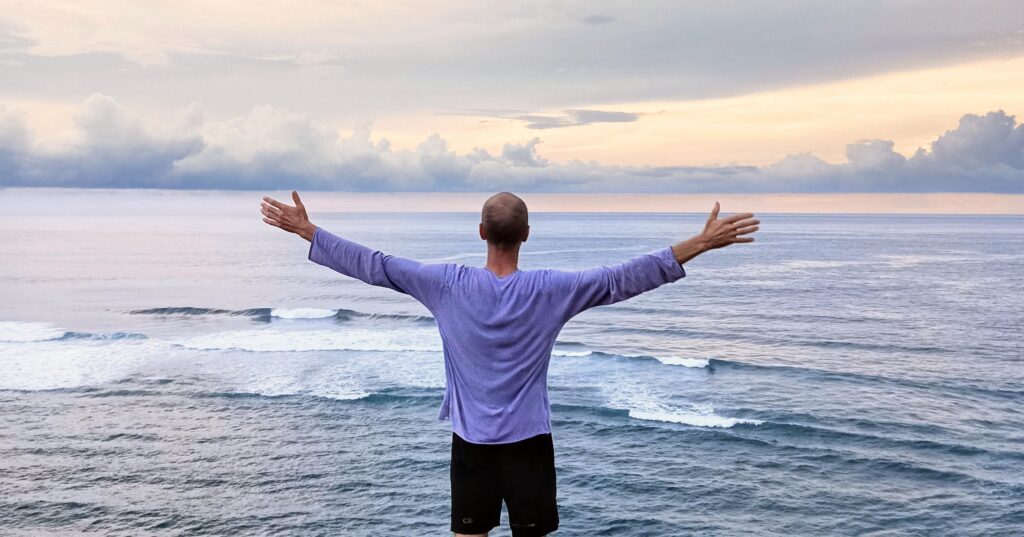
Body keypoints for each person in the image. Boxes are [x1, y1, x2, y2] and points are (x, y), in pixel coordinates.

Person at [260, 191, 758, 537]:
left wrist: (308, 231)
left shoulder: (445, 283)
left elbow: (376, 264)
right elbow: (623, 278)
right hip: (529, 445)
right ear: (527, 235)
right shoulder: (552, 290)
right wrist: (700, 243)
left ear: (480, 232)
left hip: (471, 444)